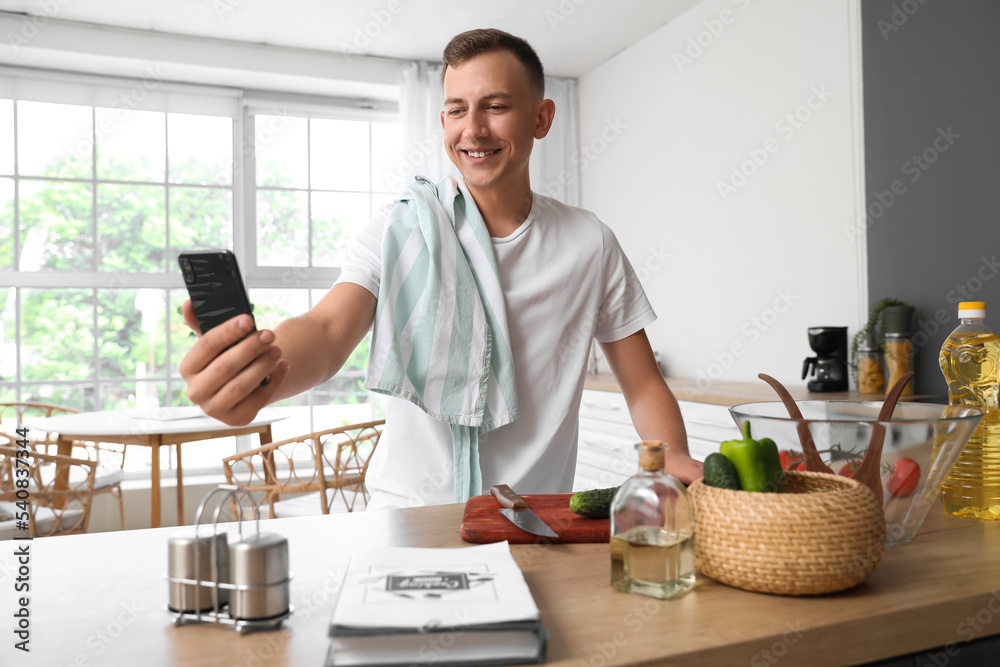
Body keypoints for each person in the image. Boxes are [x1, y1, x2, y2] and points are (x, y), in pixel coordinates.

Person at [179, 28, 703, 509]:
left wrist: (672, 454)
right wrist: (263, 375)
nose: (473, 129)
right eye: (456, 110)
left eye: (496, 106)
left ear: (541, 118)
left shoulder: (589, 242)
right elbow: (326, 329)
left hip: (535, 521)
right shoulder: (398, 230)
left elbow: (642, 384)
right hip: (407, 514)